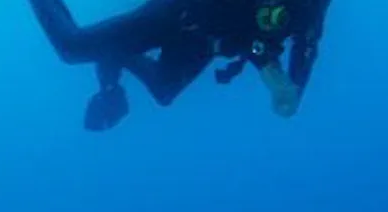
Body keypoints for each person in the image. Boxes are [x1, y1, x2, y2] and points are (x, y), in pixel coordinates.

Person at [27, 0, 331, 131]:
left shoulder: (313, 5)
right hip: (181, 12)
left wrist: (295, 89)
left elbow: (308, 42)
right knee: (72, 47)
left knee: (164, 90)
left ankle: (116, 56)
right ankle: (112, 53)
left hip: (208, 40)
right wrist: (263, 61)